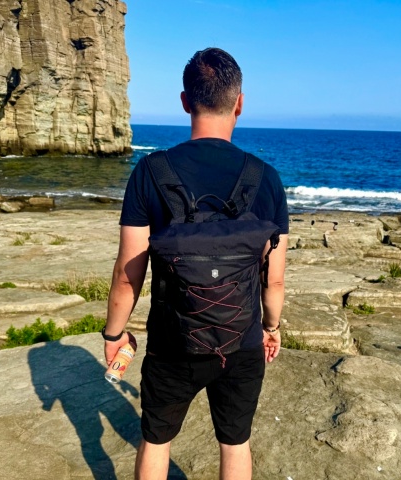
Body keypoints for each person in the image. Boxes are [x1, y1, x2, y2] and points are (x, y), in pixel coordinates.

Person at [102, 47, 289, 480]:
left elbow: (128, 274)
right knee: (235, 443)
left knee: (156, 440)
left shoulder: (150, 172)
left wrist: (114, 334)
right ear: (239, 103)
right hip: (241, 340)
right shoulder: (266, 179)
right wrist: (271, 327)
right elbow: (274, 280)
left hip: (172, 341)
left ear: (185, 101)